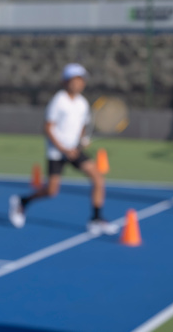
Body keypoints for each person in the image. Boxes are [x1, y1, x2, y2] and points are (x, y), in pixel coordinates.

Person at [8, 63, 115, 235]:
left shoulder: (82, 103)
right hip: (56, 152)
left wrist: (82, 140)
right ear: (65, 82)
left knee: (98, 178)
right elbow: (48, 128)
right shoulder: (58, 101)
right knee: (51, 191)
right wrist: (64, 149)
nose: (78, 83)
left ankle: (96, 219)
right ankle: (23, 201)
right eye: (74, 80)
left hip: (74, 150)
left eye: (81, 80)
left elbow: (82, 126)